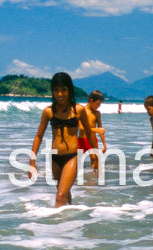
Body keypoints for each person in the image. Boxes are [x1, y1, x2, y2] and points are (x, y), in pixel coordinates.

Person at [29, 72, 95, 207]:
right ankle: (69, 223)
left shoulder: (78, 110)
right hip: (55, 158)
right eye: (56, 90)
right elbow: (39, 136)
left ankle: (57, 225)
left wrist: (96, 157)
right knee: (64, 193)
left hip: (72, 157)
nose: (60, 94)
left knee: (60, 196)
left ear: (70, 90)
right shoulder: (48, 111)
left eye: (64, 90)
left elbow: (89, 134)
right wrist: (32, 161)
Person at [79, 89, 106, 172]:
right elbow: (81, 128)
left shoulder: (97, 113)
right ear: (91, 100)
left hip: (92, 140)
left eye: (100, 104)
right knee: (77, 162)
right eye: (98, 103)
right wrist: (96, 130)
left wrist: (104, 144)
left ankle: (93, 179)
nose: (99, 106)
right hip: (81, 140)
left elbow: (100, 129)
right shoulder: (81, 111)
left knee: (95, 159)